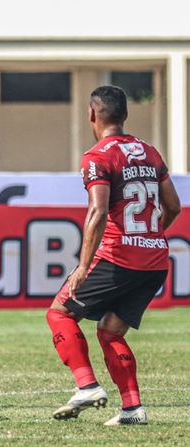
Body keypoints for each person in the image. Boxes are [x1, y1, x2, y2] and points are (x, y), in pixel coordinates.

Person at [46, 85, 181, 425]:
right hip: (154, 262)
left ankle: (86, 385)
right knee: (110, 331)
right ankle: (133, 408)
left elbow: (98, 212)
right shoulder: (150, 152)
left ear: (92, 114)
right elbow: (174, 206)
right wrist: (150, 236)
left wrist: (82, 266)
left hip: (118, 257)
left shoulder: (97, 156)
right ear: (125, 114)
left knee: (59, 313)